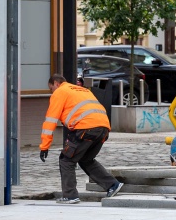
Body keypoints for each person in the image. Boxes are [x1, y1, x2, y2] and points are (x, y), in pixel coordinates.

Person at [40, 74, 124, 204]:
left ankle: (70, 195)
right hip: (103, 128)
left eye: (51, 89)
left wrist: (45, 146)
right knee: (86, 159)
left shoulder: (60, 91)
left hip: (86, 128)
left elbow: (50, 120)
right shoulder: (82, 90)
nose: (52, 92)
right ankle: (112, 185)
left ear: (56, 83)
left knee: (66, 159)